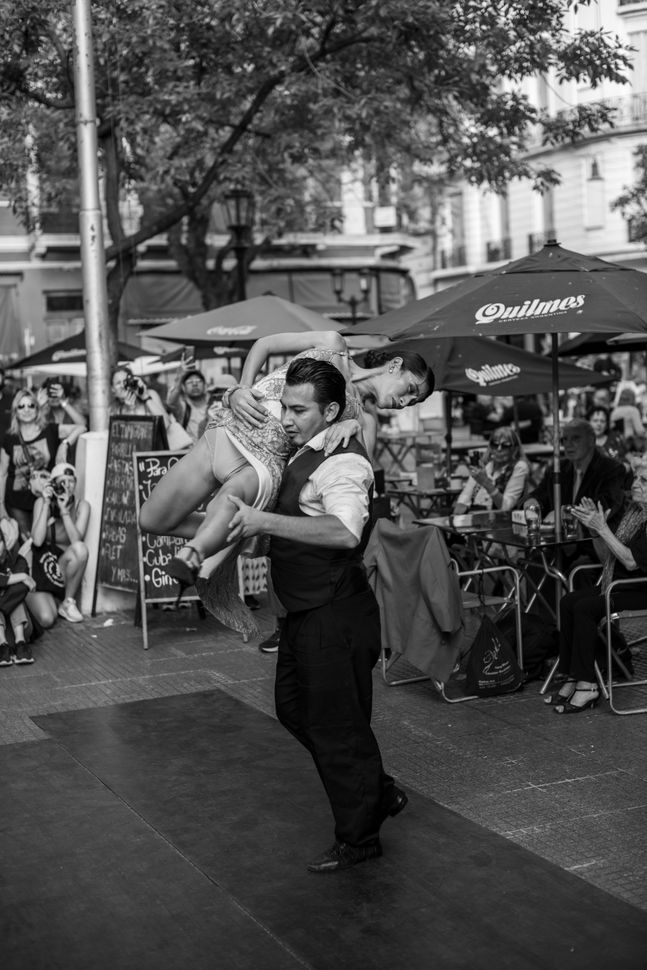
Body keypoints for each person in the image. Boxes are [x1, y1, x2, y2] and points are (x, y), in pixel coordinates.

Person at [226, 358, 407, 872]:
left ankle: (360, 837)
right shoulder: (306, 450)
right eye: (285, 405)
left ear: (329, 410)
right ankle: (377, 791)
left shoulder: (344, 461)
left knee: (336, 728)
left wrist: (263, 521)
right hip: (305, 613)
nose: (285, 416)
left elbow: (345, 532)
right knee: (294, 709)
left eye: (298, 409)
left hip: (337, 615)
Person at [139, 329, 434, 600]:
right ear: (395, 365)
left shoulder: (363, 420)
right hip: (226, 433)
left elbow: (354, 475)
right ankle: (232, 531)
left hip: (262, 465)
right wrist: (242, 387)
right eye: (410, 389)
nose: (406, 401)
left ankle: (194, 553)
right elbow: (264, 344)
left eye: (413, 402)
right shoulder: (332, 344)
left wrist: (353, 428)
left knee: (229, 503)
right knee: (151, 519)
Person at [545, 462, 647, 714]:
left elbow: (631, 562)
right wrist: (595, 529)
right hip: (619, 585)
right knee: (568, 601)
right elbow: (607, 559)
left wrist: (603, 527)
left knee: (585, 607)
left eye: (644, 481)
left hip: (639, 588)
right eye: (636, 479)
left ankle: (588, 685)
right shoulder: (634, 513)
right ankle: (572, 676)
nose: (635, 484)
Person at [524, 418, 626, 531]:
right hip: (557, 542)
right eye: (565, 439)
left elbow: (603, 507)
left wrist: (563, 513)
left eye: (575, 438)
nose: (568, 444)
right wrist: (532, 503)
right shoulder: (557, 468)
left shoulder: (612, 469)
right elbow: (539, 495)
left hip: (594, 542)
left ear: (591, 440)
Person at [0, 389, 72, 537]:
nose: (26, 410)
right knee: (27, 543)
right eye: (21, 406)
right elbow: (3, 473)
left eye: (31, 405)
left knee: (42, 540)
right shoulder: (9, 438)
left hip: (44, 497)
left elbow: (82, 426)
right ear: (15, 411)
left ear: (37, 409)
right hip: (16, 502)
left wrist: (64, 444)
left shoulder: (50, 430)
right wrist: (0, 505)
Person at [26, 462, 90, 626]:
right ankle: (46, 601)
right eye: (62, 481)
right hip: (40, 570)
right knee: (47, 620)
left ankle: (67, 602)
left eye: (71, 481)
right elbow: (38, 540)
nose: (67, 486)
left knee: (81, 549)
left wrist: (64, 511)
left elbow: (77, 543)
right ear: (53, 484)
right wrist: (47, 503)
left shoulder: (82, 506)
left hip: (60, 570)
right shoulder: (42, 502)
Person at [453, 427, 529, 514]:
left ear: (514, 449)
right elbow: (465, 496)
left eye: (505, 446)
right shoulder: (486, 465)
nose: (499, 449)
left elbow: (506, 506)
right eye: (495, 445)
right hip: (475, 517)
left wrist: (486, 483)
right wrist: (455, 517)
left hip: (501, 521)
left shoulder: (519, 467)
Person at [0, 517, 35, 666]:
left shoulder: (16, 559)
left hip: (19, 628)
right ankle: (2, 647)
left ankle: (21, 645)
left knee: (17, 597)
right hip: (3, 631)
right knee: (15, 591)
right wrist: (22, 577)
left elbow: (26, 587)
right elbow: (23, 580)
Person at [165, 351, 210, 445]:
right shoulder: (183, 408)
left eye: (198, 381)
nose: (194, 384)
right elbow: (171, 402)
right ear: (183, 388)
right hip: (191, 455)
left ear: (205, 385)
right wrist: (180, 376)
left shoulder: (213, 405)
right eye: (190, 382)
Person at [610, 387, 645, 452]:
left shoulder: (614, 411)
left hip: (616, 442)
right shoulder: (633, 410)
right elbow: (639, 431)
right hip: (629, 444)